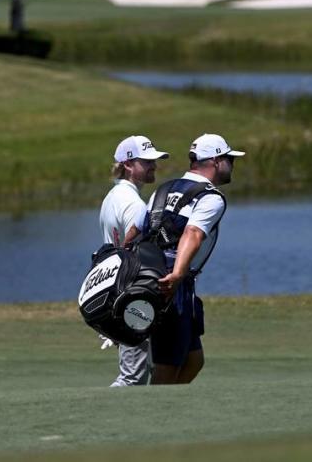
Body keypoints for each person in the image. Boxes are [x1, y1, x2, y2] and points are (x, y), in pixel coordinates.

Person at [145, 133, 245, 385]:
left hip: (154, 273)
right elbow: (193, 233)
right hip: (173, 281)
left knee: (193, 359)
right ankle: (153, 416)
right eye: (229, 159)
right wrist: (178, 274)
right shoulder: (211, 197)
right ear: (215, 161)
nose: (232, 164)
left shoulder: (164, 189)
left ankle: (170, 408)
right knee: (167, 365)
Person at [98, 134, 169, 387]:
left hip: (118, 290)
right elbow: (131, 243)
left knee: (138, 371)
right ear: (128, 165)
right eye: (147, 161)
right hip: (132, 293)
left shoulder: (112, 197)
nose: (154, 166)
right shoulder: (134, 203)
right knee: (133, 376)